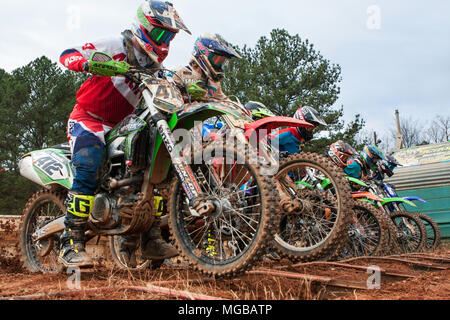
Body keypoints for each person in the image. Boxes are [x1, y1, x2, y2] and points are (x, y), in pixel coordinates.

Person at [58, 0, 191, 268]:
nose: (164, 40)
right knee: (88, 165)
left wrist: (185, 90)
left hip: (121, 125)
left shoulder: (154, 66)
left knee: (151, 170)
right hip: (89, 119)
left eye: (169, 35)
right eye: (160, 32)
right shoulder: (116, 45)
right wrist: (86, 64)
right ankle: (70, 242)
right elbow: (67, 54)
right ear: (143, 26)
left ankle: (150, 238)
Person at [172, 33, 241, 102]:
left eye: (222, 61)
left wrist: (242, 109)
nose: (219, 64)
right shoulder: (181, 72)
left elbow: (226, 101)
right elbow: (167, 94)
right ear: (203, 53)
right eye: (217, 59)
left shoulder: (214, 83)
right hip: (182, 111)